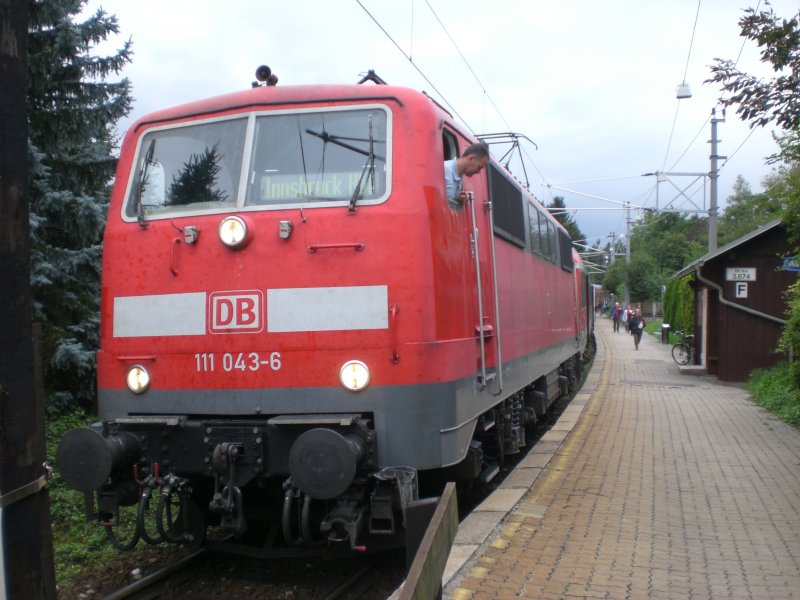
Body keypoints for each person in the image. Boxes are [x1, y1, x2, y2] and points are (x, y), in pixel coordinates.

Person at [444, 142, 490, 208]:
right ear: (471, 158)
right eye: (479, 167)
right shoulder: (443, 170)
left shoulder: (459, 176)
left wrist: (457, 197)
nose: (478, 172)